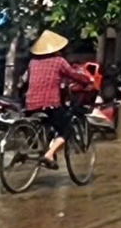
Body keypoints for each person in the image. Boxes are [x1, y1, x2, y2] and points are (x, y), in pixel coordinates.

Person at [24, 30, 95, 169]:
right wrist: (87, 80)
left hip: (30, 104)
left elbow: (26, 80)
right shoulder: (59, 61)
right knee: (66, 128)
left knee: (49, 123)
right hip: (49, 104)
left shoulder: (33, 62)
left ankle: (45, 147)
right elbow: (73, 74)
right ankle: (49, 154)